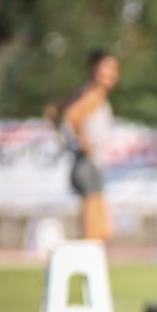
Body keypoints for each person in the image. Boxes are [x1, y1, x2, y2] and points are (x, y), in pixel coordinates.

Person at [61, 50, 119, 242]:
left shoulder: (86, 91)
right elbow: (71, 115)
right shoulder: (93, 93)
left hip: (87, 163)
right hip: (87, 163)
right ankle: (86, 266)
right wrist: (83, 140)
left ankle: (88, 265)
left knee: (100, 230)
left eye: (113, 69)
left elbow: (56, 109)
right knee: (95, 232)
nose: (111, 74)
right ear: (94, 69)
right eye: (106, 68)